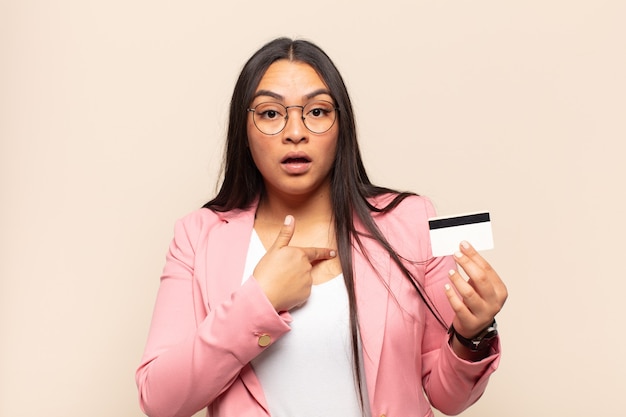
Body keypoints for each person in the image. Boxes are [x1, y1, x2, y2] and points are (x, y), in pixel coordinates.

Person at [135, 37, 507, 417]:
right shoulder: (197, 237)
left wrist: (473, 334)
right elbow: (159, 400)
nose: (295, 132)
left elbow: (448, 398)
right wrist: (258, 301)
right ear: (243, 132)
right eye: (269, 113)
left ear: (341, 125)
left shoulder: (411, 221)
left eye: (316, 112)